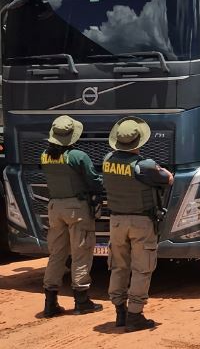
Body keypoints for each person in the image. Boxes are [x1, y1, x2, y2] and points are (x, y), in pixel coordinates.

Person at [102, 116, 173, 332]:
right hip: (141, 222)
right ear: (139, 141)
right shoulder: (145, 165)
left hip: (116, 221)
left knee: (118, 266)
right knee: (142, 269)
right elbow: (169, 179)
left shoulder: (107, 160)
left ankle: (120, 312)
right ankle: (135, 315)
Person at [40, 115, 105, 318]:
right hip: (76, 209)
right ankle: (81, 301)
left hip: (54, 208)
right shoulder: (78, 156)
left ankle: (50, 302)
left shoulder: (45, 155)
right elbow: (94, 181)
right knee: (81, 253)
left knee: (57, 254)